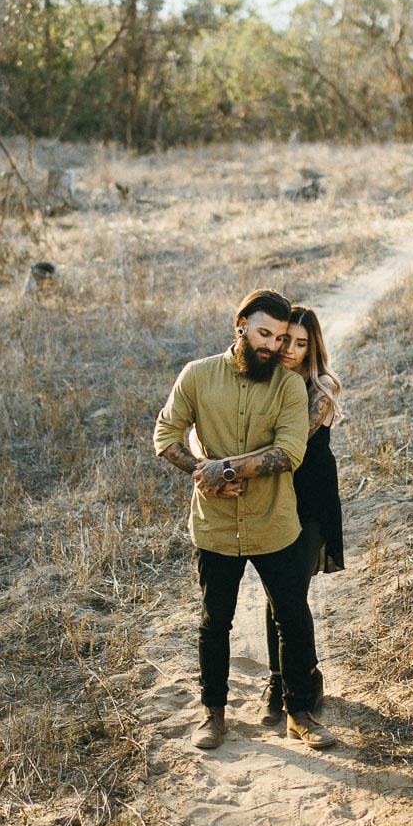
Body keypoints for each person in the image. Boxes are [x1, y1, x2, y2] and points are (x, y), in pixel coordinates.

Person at [153, 288, 337, 750]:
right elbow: (166, 433)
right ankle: (212, 715)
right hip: (215, 525)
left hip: (274, 521)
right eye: (264, 333)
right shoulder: (197, 376)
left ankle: (299, 714)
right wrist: (203, 473)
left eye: (279, 338)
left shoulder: (291, 387)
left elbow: (291, 452)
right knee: (215, 622)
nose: (273, 346)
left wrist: (228, 469)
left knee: (291, 619)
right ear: (240, 326)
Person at [262, 304, 345, 726]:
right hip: (271, 494)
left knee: (290, 592)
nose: (290, 349)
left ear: (312, 347)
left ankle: (306, 676)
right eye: (284, 340)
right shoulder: (263, 378)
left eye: (300, 343)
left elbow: (288, 441)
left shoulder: (323, 386)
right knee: (274, 591)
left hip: (310, 498)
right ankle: (277, 679)